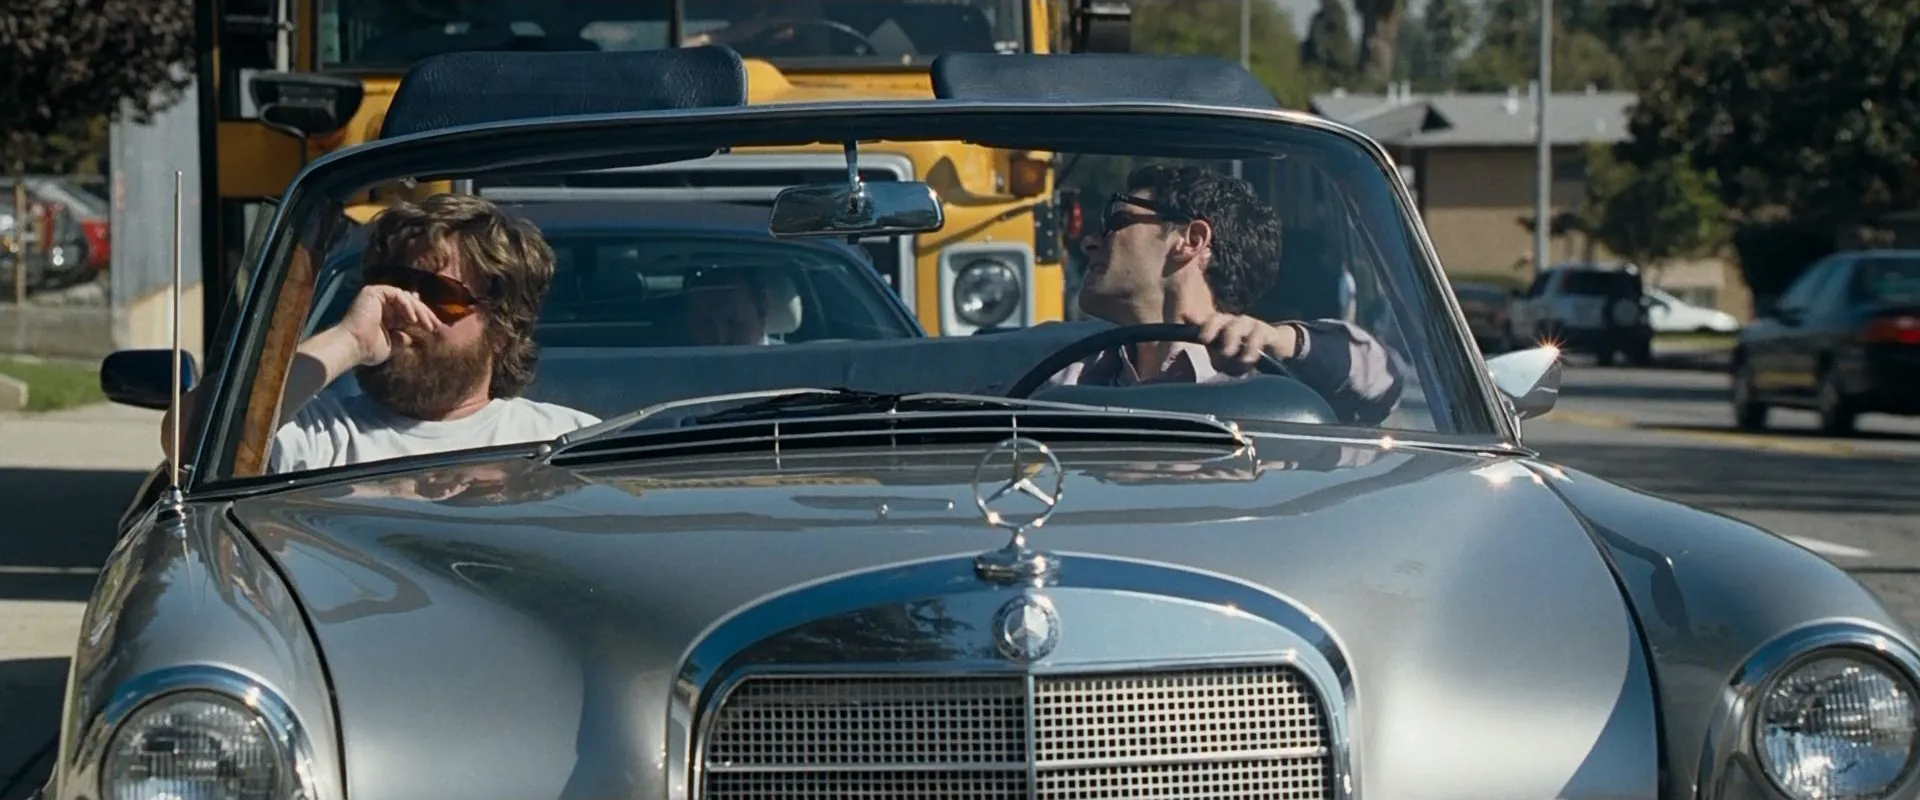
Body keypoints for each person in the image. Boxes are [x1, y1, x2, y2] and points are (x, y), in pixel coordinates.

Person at [162, 193, 601, 473]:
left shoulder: (565, 445)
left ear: (502, 331)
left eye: (439, 293)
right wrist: (349, 341)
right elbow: (186, 441)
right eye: (391, 283)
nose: (403, 307)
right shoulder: (318, 432)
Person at [1054, 164, 1402, 425]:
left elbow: (1385, 381)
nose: (1090, 242)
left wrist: (1282, 341)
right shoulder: (1065, 361)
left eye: (1117, 222)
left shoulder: (1266, 379)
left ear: (1191, 241)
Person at [682, 266, 785, 346]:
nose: (721, 339)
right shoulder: (676, 365)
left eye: (734, 322)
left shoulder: (790, 364)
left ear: (762, 309)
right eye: (706, 323)